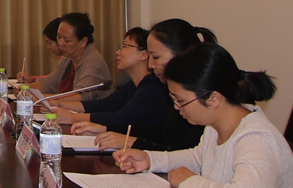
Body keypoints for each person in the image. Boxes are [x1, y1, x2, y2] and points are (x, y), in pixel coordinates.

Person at [114, 43, 293, 186]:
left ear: (213, 98)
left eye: (180, 100)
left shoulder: (256, 139)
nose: (177, 107)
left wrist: (190, 182)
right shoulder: (215, 126)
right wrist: (150, 159)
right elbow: (198, 158)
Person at [72, 18, 217, 151]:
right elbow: (158, 131)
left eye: (156, 57)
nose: (150, 65)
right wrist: (106, 129)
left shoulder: (194, 95)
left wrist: (130, 141)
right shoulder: (164, 88)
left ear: (180, 55)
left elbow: (185, 154)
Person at [52, 27, 169, 126]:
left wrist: (73, 118)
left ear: (144, 54)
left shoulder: (152, 87)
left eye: (125, 46)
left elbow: (121, 119)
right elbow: (104, 105)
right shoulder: (133, 85)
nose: (118, 52)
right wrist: (60, 104)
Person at [24, 12, 112, 101]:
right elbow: (47, 84)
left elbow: (79, 97)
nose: (60, 43)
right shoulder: (68, 58)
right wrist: (25, 90)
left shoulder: (93, 62)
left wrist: (38, 98)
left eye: (67, 40)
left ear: (83, 41)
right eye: (59, 37)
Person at [16, 17, 62, 83]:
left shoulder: (69, 59)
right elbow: (53, 79)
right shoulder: (64, 58)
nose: (48, 47)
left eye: (49, 43)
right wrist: (32, 79)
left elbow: (55, 81)